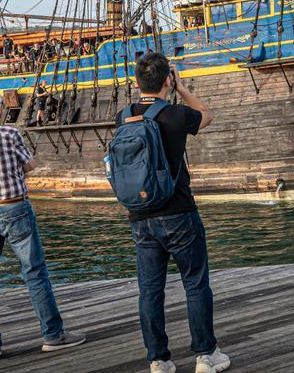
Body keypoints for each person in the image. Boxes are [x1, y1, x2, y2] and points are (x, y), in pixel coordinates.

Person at [0, 88, 86, 364]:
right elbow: (30, 166)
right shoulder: (10, 134)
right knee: (35, 272)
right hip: (13, 208)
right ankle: (53, 335)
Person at [120, 53, 230, 373]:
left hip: (140, 215)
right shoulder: (176, 115)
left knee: (150, 290)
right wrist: (181, 89)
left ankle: (158, 359)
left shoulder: (123, 116)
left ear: (136, 82)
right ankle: (206, 355)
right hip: (179, 212)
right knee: (195, 283)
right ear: (167, 79)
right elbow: (206, 114)